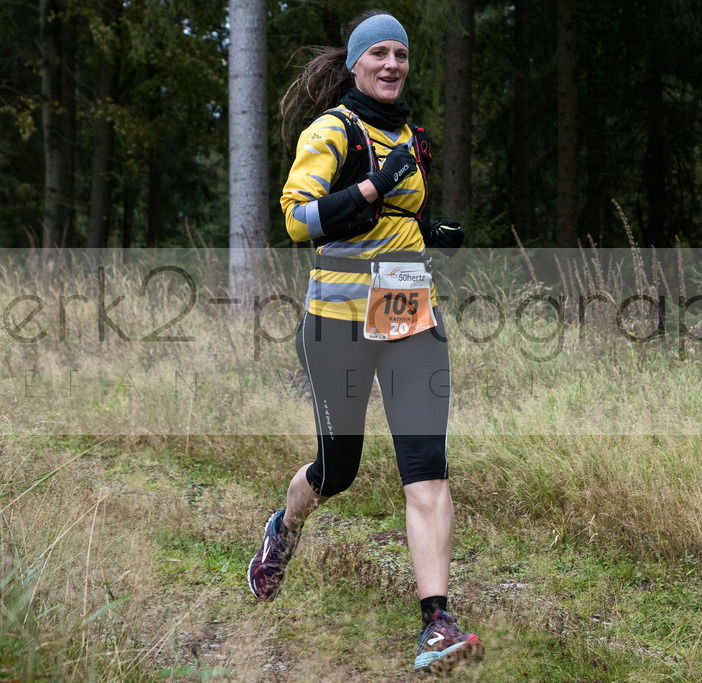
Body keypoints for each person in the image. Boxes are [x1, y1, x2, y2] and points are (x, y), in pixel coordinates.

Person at [246, 9, 485, 675]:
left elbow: (396, 221)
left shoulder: (414, 137)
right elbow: (299, 221)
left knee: (427, 469)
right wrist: (378, 182)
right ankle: (283, 529)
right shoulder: (331, 131)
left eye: (400, 54)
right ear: (354, 64)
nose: (391, 64)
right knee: (338, 469)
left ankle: (436, 620)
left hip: (408, 314)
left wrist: (432, 233)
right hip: (338, 323)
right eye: (378, 53)